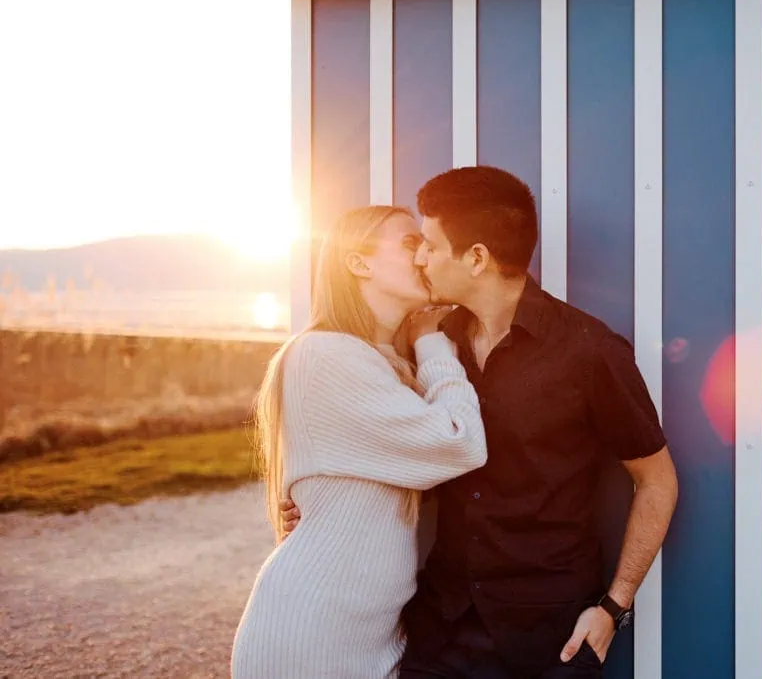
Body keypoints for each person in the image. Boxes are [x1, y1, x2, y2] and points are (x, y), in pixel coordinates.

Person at [281, 166, 679, 678]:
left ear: (476, 258)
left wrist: (613, 608)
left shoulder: (590, 352)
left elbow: (657, 481)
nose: (420, 258)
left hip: (547, 637)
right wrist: (321, 506)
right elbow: (392, 448)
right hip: (439, 627)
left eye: (428, 244)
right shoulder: (432, 341)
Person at [231, 205, 488, 679]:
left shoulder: (384, 364)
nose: (425, 256)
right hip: (312, 636)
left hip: (371, 638)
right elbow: (462, 443)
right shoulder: (325, 355)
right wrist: (432, 342)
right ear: (358, 262)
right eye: (411, 244)